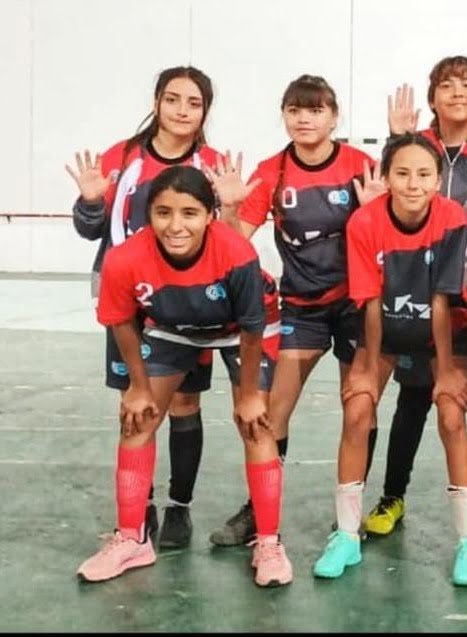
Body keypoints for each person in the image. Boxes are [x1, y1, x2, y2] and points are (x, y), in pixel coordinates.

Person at [76, 166, 292, 587]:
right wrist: (138, 388)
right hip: (171, 326)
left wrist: (249, 395)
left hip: (238, 332)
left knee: (256, 424)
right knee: (137, 418)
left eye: (189, 213)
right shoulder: (124, 258)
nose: (176, 225)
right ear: (149, 215)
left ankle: (268, 542)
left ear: (209, 215)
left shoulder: (236, 254)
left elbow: (251, 330)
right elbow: (121, 322)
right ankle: (132, 539)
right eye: (163, 212)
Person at [208, 74, 383, 546]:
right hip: (301, 309)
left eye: (315, 110)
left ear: (334, 116)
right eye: (294, 110)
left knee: (359, 413)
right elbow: (232, 244)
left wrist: (371, 212)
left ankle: (350, 514)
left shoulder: (360, 165)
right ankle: (258, 513)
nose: (304, 119)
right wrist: (228, 208)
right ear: (284, 115)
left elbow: (388, 240)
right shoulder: (271, 171)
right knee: (268, 416)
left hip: (355, 307)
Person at [311, 134, 467, 587]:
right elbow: (369, 300)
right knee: (357, 410)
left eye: (424, 174)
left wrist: (445, 370)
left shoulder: (451, 217)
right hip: (384, 331)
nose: (413, 184)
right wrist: (367, 368)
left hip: (442, 333)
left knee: (450, 417)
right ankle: (347, 536)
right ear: (386, 178)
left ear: (438, 179)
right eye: (402, 174)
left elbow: (442, 298)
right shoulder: (365, 222)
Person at [361, 56, 467, 550]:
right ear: (432, 98)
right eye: (446, 85)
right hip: (416, 302)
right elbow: (391, 204)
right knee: (412, 402)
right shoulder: (415, 150)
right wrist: (393, 139)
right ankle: (392, 497)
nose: (456, 93)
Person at [66, 66, 222, 549]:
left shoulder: (213, 164)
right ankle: (143, 505)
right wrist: (90, 201)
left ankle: (179, 507)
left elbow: (223, 236)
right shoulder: (123, 158)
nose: (181, 110)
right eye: (172, 99)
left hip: (189, 303)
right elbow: (91, 229)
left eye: (193, 103)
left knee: (184, 402)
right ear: (156, 103)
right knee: (136, 403)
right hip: (129, 302)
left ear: (204, 112)